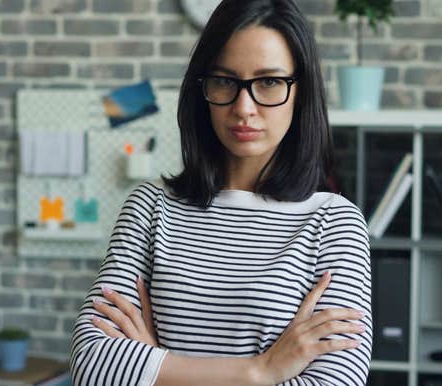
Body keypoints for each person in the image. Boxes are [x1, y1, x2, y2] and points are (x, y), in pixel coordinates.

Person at [70, 1, 372, 385]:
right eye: (225, 81)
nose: (244, 108)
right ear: (203, 89)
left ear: (301, 91)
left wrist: (154, 366)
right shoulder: (149, 208)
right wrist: (259, 371)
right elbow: (93, 366)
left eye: (268, 82)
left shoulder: (333, 223)